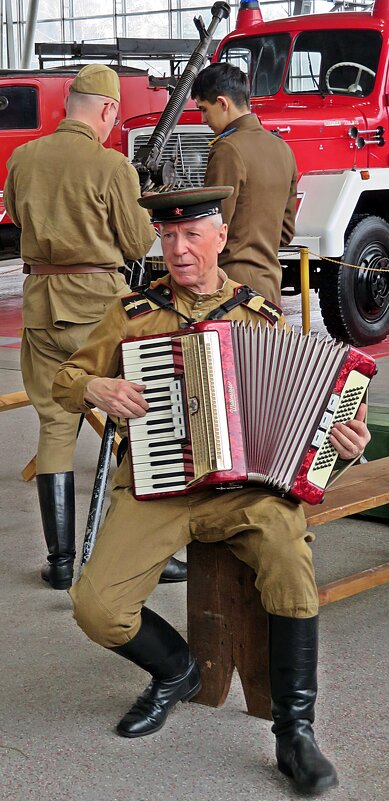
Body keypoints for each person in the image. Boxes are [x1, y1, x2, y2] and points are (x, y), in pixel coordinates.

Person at [52, 186, 370, 795]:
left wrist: (342, 445)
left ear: (220, 237)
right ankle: (177, 671)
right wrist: (96, 388)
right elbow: (69, 375)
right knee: (94, 606)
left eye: (191, 235)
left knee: (289, 553)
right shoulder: (133, 314)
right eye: (167, 238)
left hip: (246, 489)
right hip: (159, 486)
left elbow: (313, 430)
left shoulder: (262, 317)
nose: (178, 250)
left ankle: (294, 733)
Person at [3, 63, 186, 590]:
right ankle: (147, 553)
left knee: (56, 425)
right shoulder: (111, 166)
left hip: (40, 307)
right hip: (100, 312)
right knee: (135, 423)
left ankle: (61, 561)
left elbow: (18, 216)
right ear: (107, 109)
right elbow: (134, 244)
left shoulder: (23, 158)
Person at [191, 62, 297, 305]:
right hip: (269, 286)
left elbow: (213, 226)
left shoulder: (228, 149)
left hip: (230, 289)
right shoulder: (282, 149)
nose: (203, 119)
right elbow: (286, 233)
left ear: (222, 103)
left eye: (204, 109)